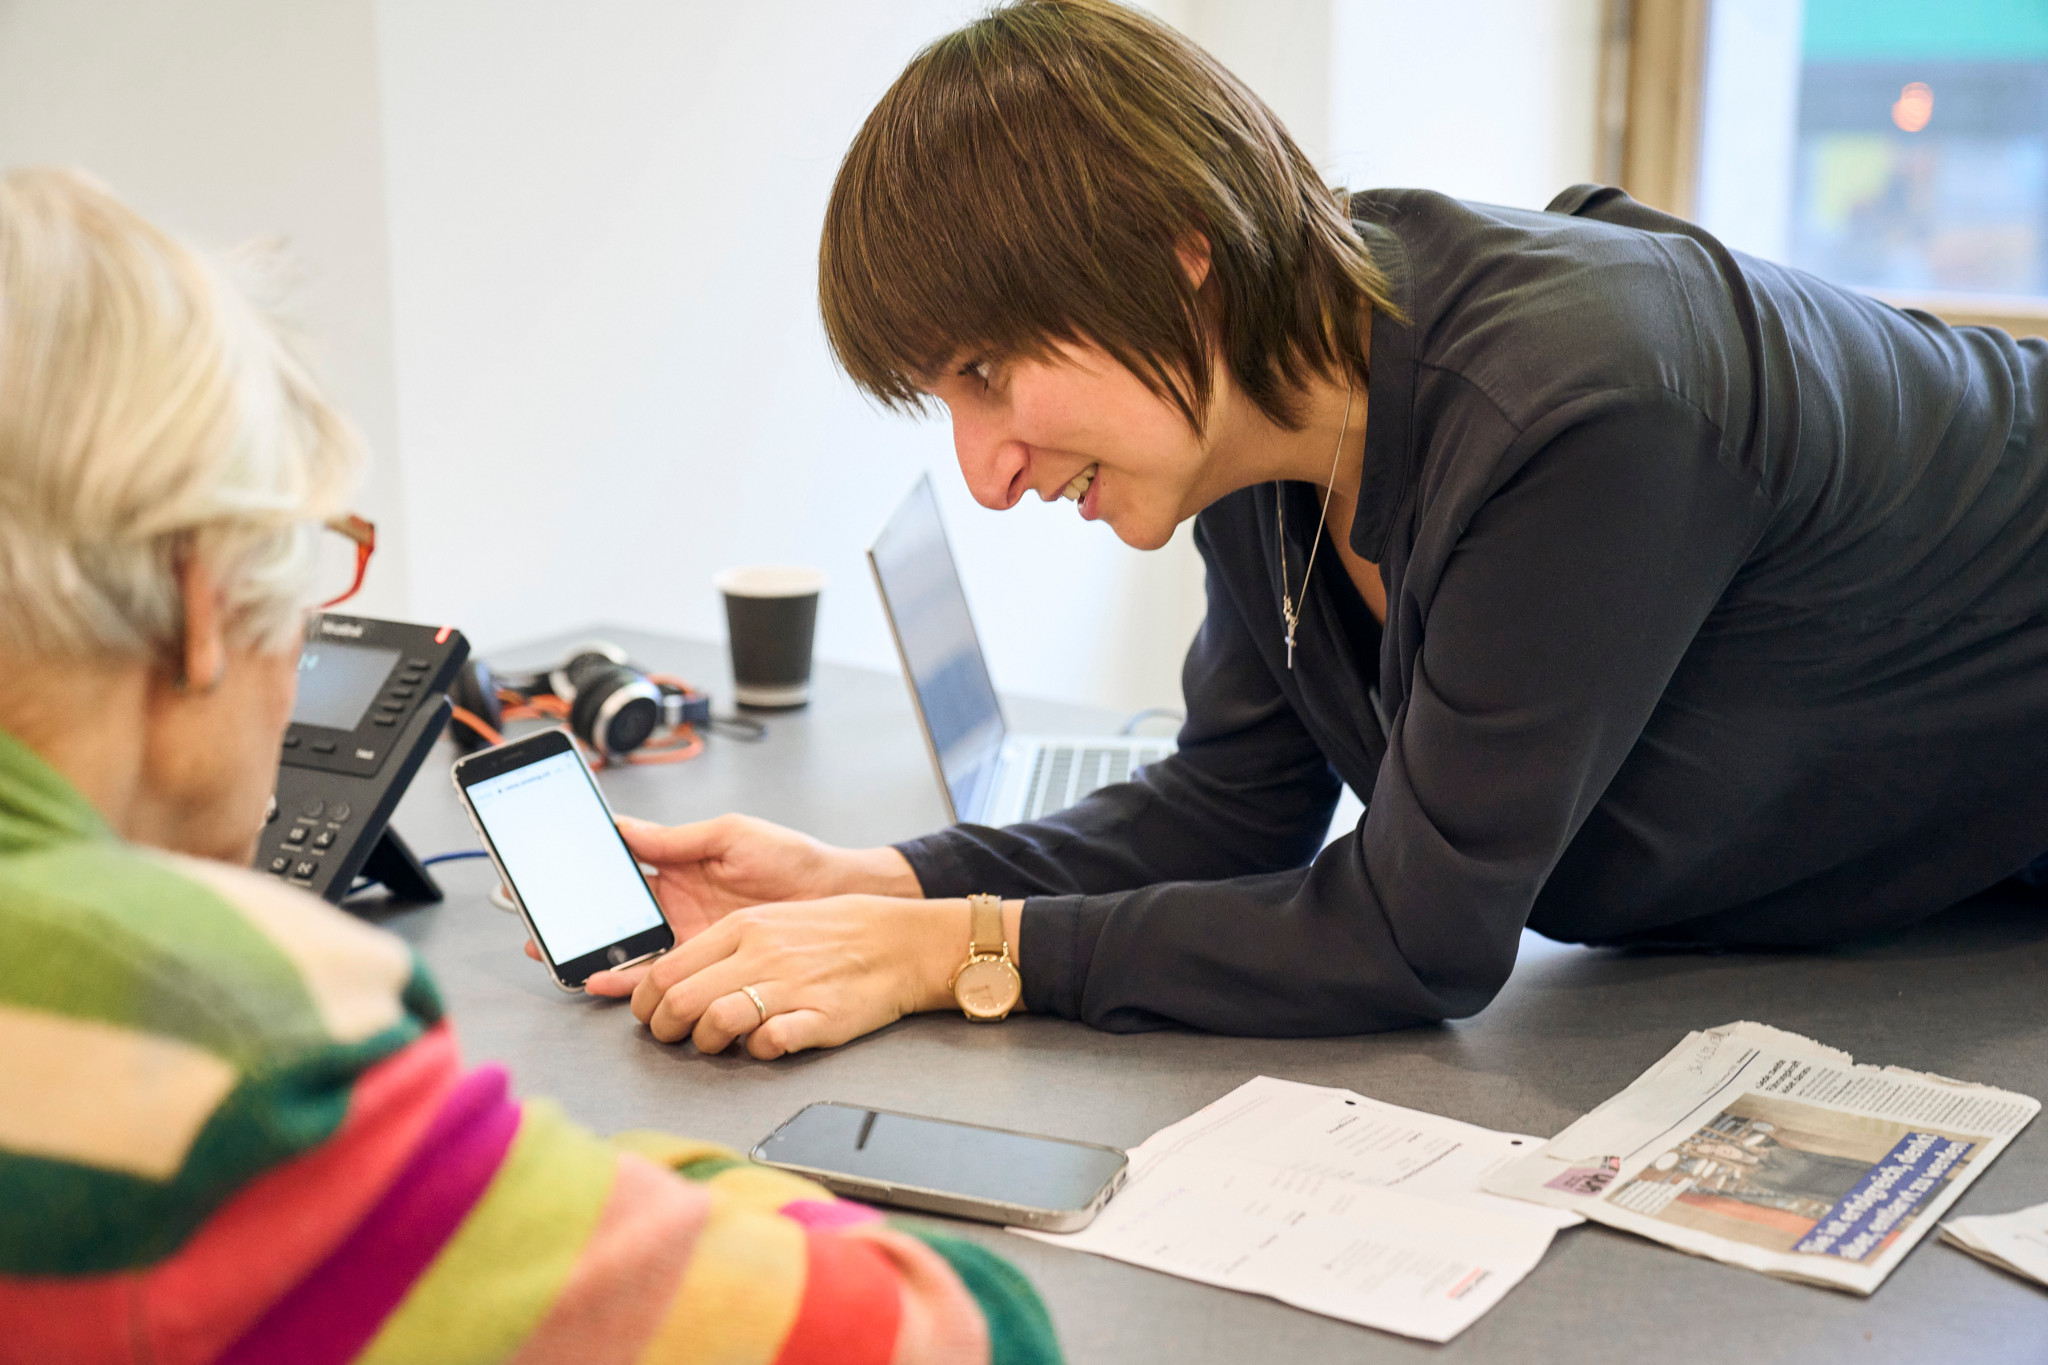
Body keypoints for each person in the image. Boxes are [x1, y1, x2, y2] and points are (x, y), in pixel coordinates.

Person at [592, 0, 2048, 1056]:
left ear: (1180, 265)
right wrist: (886, 881)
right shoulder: (1269, 423)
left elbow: (1418, 934)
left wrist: (953, 953)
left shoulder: (1575, 410)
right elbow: (1228, 811)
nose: (985, 472)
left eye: (988, 373)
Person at [0, 167, 1060, 1365]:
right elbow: (965, 1336)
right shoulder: (212, 1033)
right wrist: (547, 1179)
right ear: (199, 596)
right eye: (297, 567)